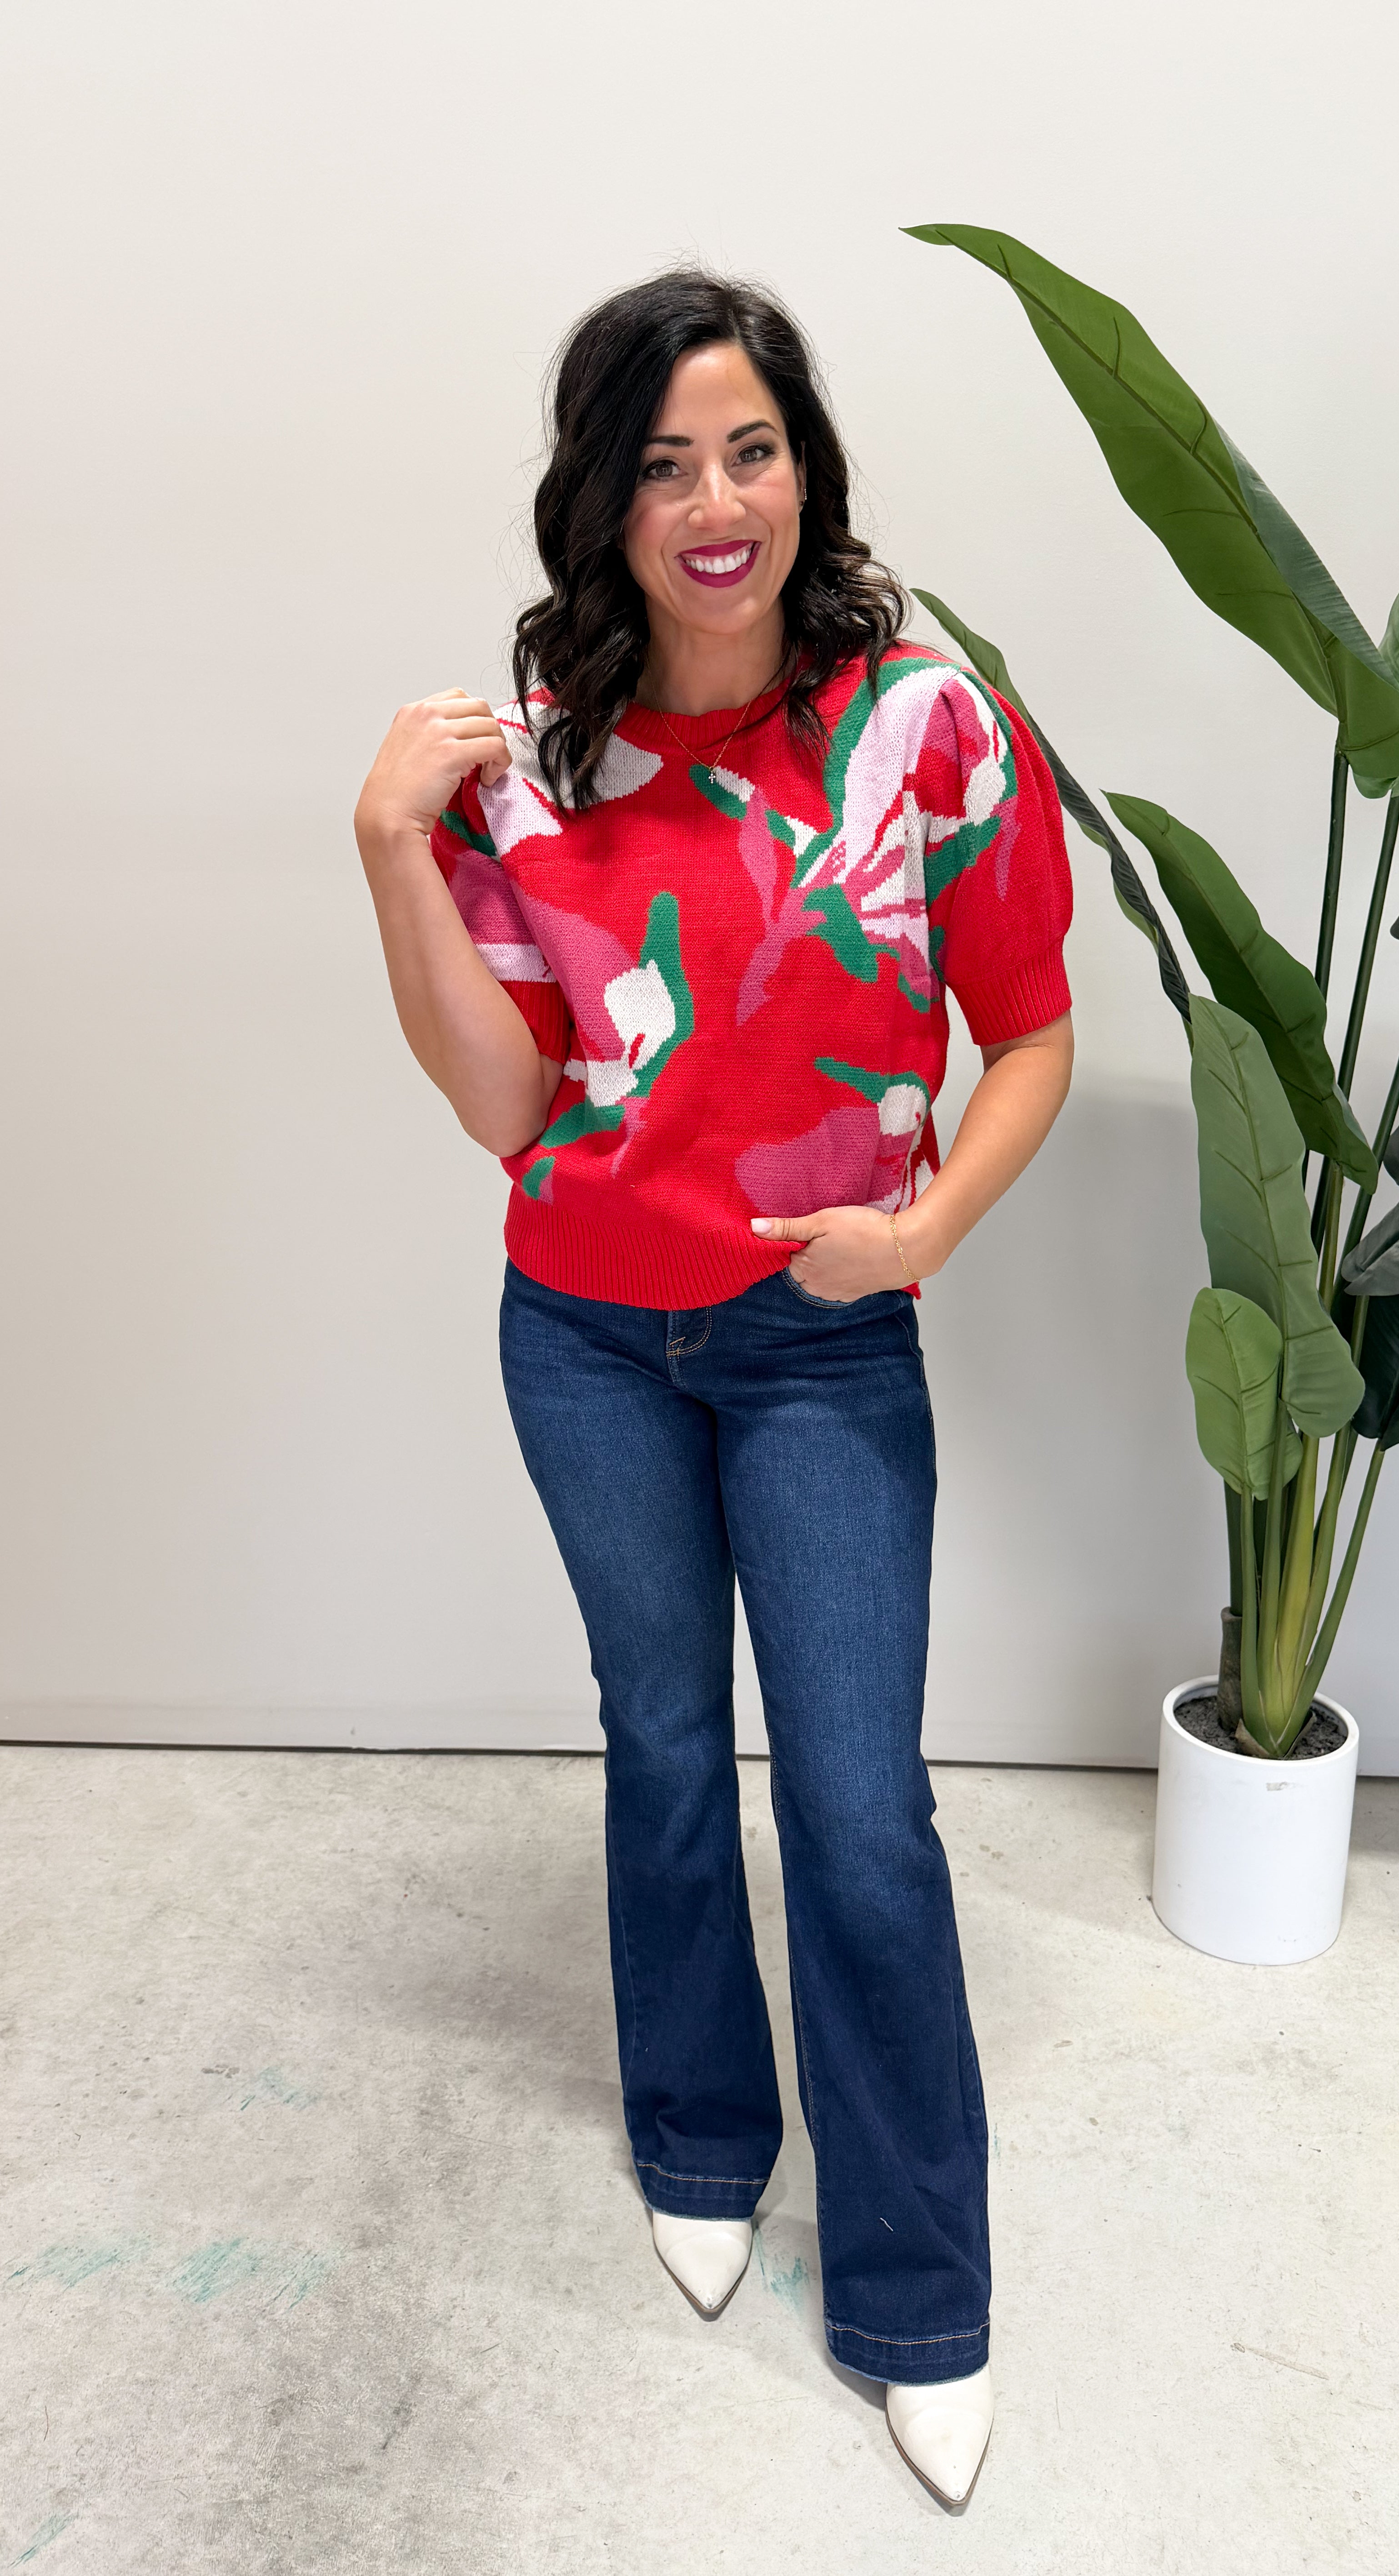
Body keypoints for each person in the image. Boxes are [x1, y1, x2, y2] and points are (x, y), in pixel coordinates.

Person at [353, 271, 1073, 2511]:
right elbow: (508, 1104)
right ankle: (694, 2136)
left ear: (803, 469)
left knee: (856, 1806)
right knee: (661, 1746)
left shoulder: (923, 730)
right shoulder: (533, 764)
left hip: (821, 1345)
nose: (712, 499)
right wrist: (387, 850)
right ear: (603, 501)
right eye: (660, 464)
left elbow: (1030, 1033)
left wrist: (919, 1239)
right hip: (582, 1336)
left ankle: (918, 2291)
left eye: (747, 447)